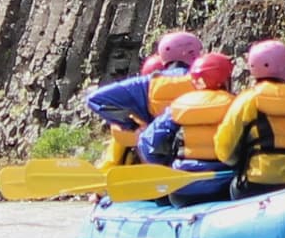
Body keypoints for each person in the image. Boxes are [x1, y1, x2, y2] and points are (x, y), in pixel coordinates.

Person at [145, 39, 285, 205]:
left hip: (256, 186)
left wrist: (239, 163)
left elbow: (224, 149)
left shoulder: (246, 100)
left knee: (232, 189)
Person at [80, 29, 207, 160]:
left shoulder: (145, 83)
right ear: (190, 53)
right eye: (198, 51)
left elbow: (95, 99)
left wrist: (133, 126)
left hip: (161, 155)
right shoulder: (205, 79)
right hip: (201, 152)